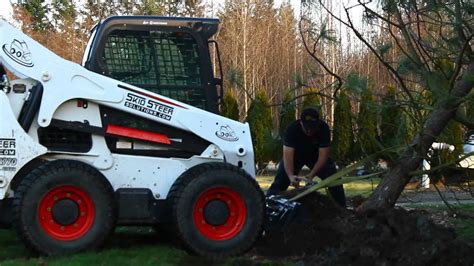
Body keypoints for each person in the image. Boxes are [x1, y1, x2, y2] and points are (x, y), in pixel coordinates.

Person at [266, 107, 346, 207]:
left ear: (318, 123)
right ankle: (268, 204)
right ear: (300, 123)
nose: (309, 131)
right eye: (306, 127)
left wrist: (311, 175)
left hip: (315, 156)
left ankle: (342, 209)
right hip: (296, 156)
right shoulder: (292, 129)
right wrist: (291, 176)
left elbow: (323, 157)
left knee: (334, 179)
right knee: (280, 181)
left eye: (312, 128)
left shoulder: (324, 129)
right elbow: (288, 155)